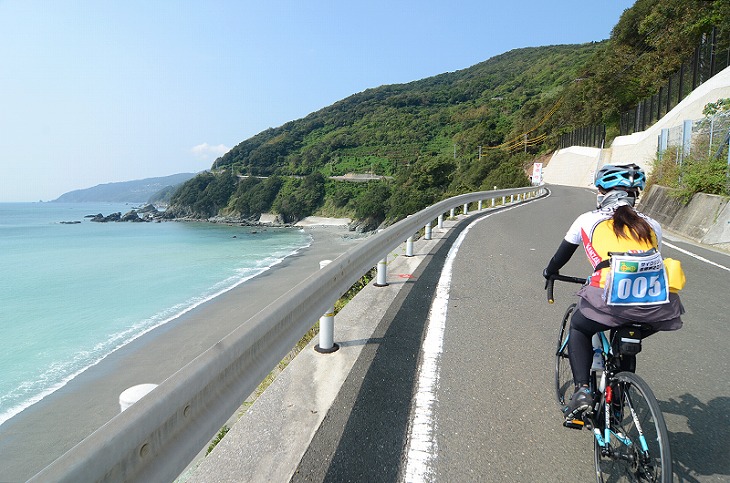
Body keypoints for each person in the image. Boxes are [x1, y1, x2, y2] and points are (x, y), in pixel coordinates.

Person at [543, 163, 684, 418]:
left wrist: (550, 272)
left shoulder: (587, 220)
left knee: (580, 327)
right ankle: (617, 401)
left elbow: (559, 258)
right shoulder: (652, 225)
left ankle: (582, 391)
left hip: (608, 298)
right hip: (658, 306)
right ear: (636, 194)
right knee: (627, 339)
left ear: (601, 191)